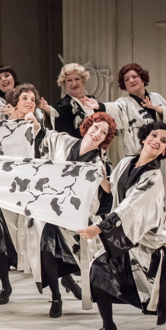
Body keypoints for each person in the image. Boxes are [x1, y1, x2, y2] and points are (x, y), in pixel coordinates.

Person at [79, 121, 166, 330]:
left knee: (157, 299)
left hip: (146, 243)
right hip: (122, 236)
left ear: (165, 150)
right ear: (145, 136)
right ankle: (108, 326)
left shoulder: (154, 178)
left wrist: (99, 228)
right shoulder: (127, 161)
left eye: (163, 141)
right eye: (154, 135)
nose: (156, 141)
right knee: (98, 269)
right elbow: (111, 189)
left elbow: (130, 207)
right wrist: (98, 175)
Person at [26, 112, 116, 318]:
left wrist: (103, 181)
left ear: (105, 139)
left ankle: (67, 281)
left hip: (76, 217)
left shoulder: (99, 163)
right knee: (45, 245)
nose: (97, 133)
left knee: (70, 254)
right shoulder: (65, 141)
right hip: (51, 210)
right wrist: (34, 123)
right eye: (96, 128)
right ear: (87, 126)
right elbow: (44, 135)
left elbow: (109, 194)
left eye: (103, 133)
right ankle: (56, 297)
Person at [0, 84, 41, 304]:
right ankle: (5, 285)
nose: (29, 101)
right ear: (15, 102)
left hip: (24, 189)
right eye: (24, 98)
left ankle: (63, 283)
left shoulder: (35, 125)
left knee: (38, 237)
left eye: (33, 99)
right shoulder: (0, 122)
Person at [102, 63, 166, 159]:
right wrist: (98, 106)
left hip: (162, 154)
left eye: (134, 76)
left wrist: (157, 108)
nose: (131, 80)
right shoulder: (123, 103)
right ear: (125, 85)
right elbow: (113, 110)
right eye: (126, 79)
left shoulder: (156, 97)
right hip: (137, 156)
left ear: (143, 79)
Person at [40, 63, 103, 137]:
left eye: (77, 79)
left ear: (83, 80)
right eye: (69, 80)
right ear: (64, 83)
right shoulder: (64, 104)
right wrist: (48, 110)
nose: (74, 83)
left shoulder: (92, 99)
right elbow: (58, 116)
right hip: (78, 147)